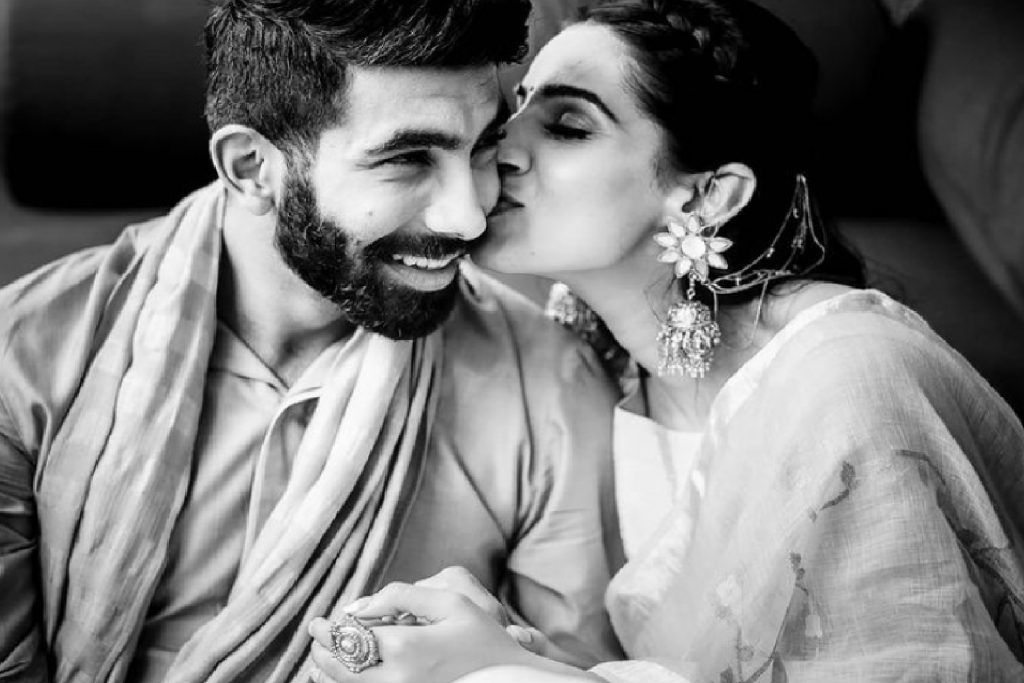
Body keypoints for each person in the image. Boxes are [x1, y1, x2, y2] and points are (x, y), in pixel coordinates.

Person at [305, 0, 1024, 681]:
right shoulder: (596, 375)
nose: (498, 148)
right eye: (513, 109)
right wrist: (511, 645)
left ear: (709, 195)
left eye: (568, 126)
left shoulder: (848, 377)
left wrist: (505, 670)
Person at [0, 1, 627, 681]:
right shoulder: (23, 354)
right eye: (407, 159)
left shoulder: (551, 387)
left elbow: (572, 666)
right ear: (251, 168)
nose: (468, 216)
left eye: (481, 147)